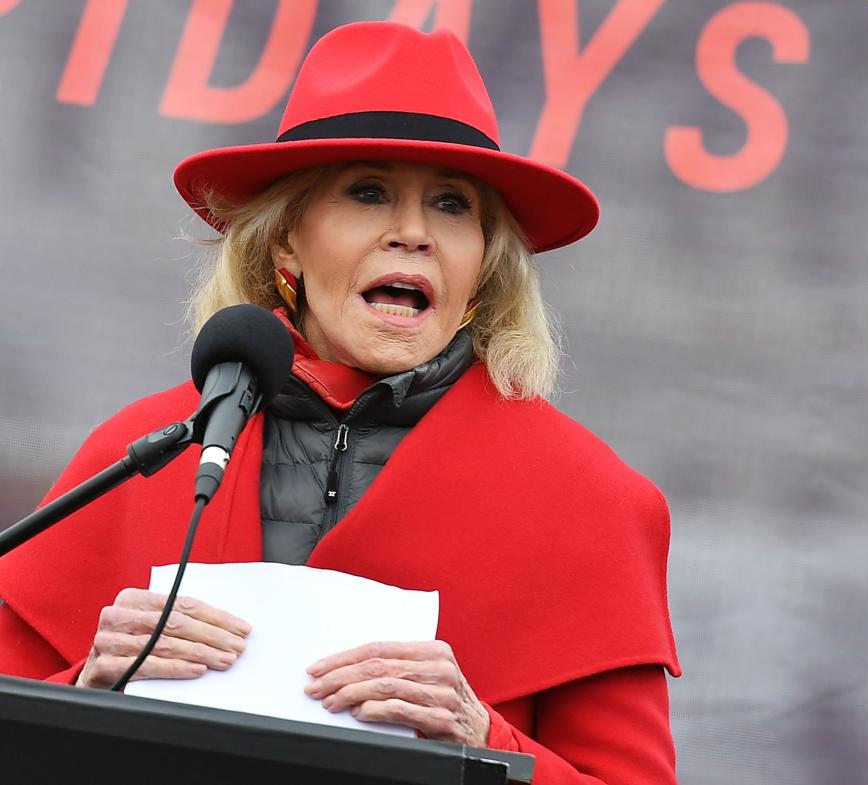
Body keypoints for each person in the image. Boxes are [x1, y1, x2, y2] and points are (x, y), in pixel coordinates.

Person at [0, 22, 679, 785]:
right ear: (286, 241)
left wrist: (485, 737)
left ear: (484, 265)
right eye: (368, 192)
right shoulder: (138, 455)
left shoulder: (589, 496)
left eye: (452, 205)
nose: (414, 233)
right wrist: (88, 689)